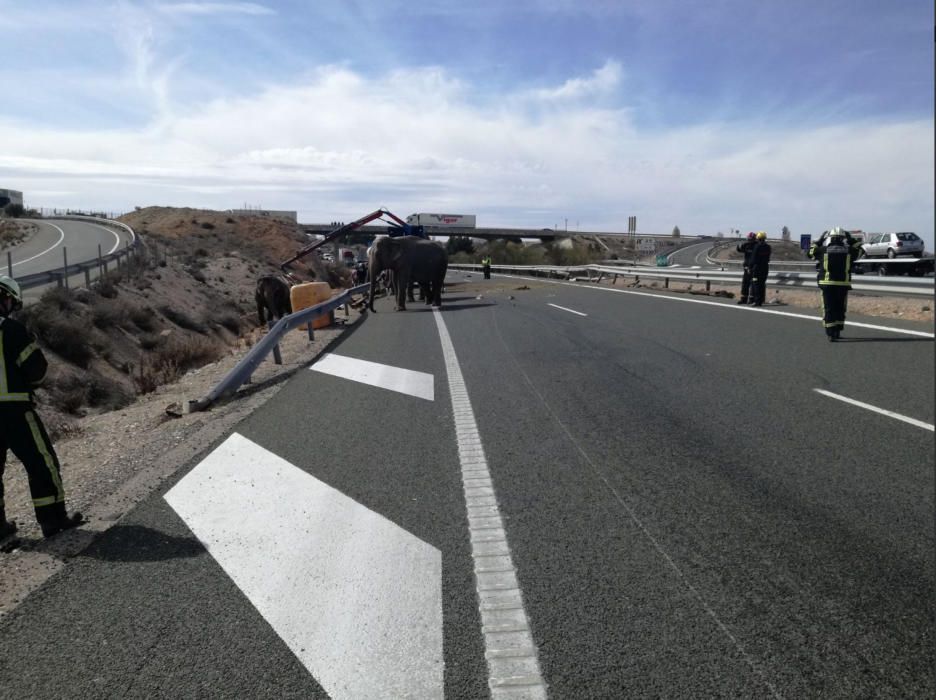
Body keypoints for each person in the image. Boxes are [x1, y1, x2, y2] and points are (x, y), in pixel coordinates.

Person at [0, 275, 84, 540]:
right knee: (41, 462)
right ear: (6, 299)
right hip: (14, 410)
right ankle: (53, 520)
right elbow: (36, 370)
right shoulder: (11, 331)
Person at [807, 227, 863, 341]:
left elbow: (810, 252)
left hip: (826, 284)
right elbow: (861, 250)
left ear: (830, 238)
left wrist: (819, 240)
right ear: (843, 238)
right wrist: (851, 239)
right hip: (842, 284)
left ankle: (830, 333)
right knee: (840, 308)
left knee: (828, 308)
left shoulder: (822, 250)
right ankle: (837, 331)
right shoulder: (849, 251)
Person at [749, 231, 771, 306]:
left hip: (757, 268)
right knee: (762, 284)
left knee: (755, 284)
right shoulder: (768, 247)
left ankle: (757, 301)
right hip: (765, 268)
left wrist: (750, 267)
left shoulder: (757, 247)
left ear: (758, 238)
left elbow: (753, 259)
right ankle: (761, 300)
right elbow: (768, 259)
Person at [736, 232, 757, 304]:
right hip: (746, 267)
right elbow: (739, 249)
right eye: (749, 239)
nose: (750, 240)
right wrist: (738, 246)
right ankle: (744, 298)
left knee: (753, 283)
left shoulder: (757, 246)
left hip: (754, 268)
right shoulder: (746, 245)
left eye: (751, 239)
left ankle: (752, 299)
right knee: (745, 283)